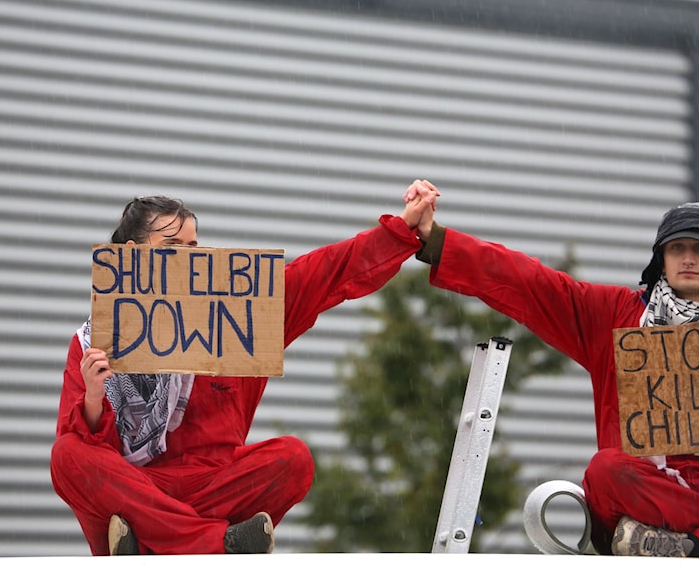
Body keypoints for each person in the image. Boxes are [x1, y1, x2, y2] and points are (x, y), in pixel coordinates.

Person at [408, 191, 699, 560]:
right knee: (606, 470)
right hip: (657, 488)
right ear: (661, 260)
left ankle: (697, 549)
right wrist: (436, 240)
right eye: (677, 248)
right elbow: (528, 281)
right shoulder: (615, 317)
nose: (688, 257)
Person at [51, 181, 439, 555]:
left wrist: (401, 229)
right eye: (172, 246)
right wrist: (96, 396)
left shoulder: (240, 313)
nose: (188, 257)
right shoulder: (94, 343)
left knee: (292, 459)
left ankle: (157, 542)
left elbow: (325, 272)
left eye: (193, 247)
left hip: (208, 492)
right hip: (136, 491)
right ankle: (211, 544)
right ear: (132, 255)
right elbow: (84, 459)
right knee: (67, 454)